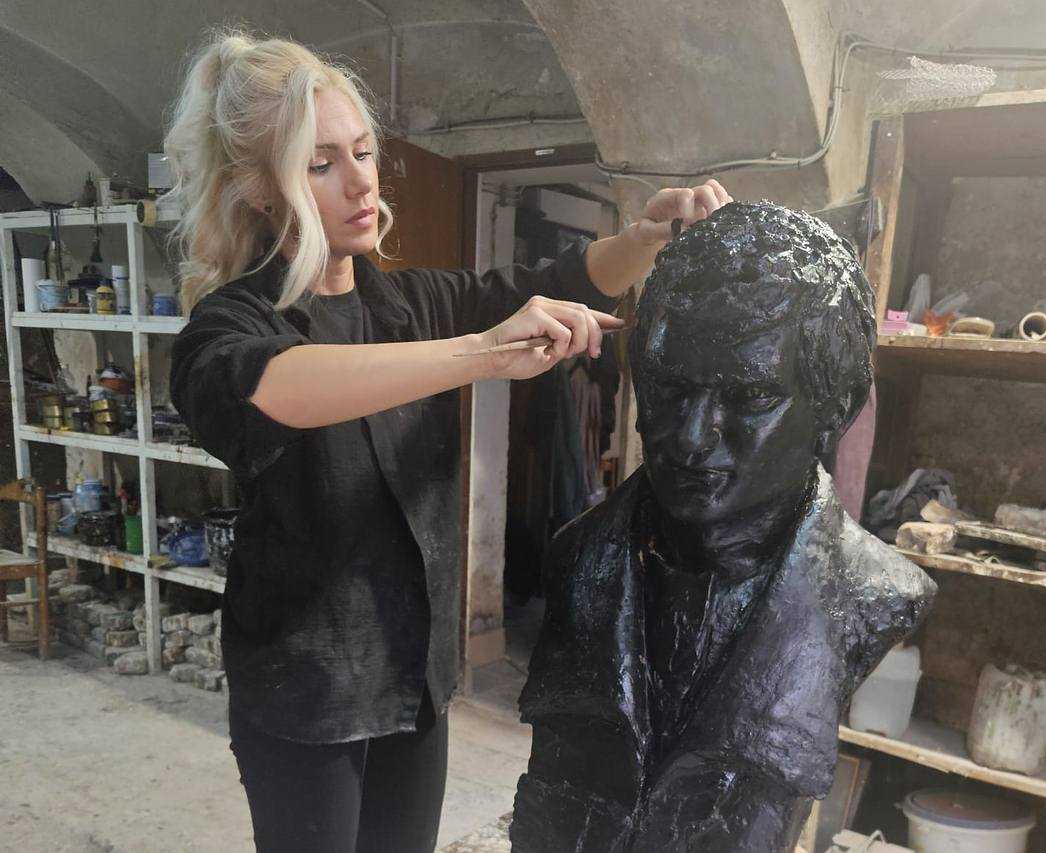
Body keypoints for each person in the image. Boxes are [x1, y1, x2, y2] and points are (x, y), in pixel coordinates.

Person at [165, 28, 732, 853]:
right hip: (308, 691)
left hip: (416, 678)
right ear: (258, 188)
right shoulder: (231, 325)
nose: (361, 181)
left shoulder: (410, 306)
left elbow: (553, 282)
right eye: (320, 164)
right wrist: (483, 353)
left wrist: (645, 237)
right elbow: (277, 385)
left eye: (363, 152)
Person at [511, 201, 937, 852]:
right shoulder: (578, 558)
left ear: (836, 407)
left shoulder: (874, 594)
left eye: (750, 397)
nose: (689, 436)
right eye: (669, 388)